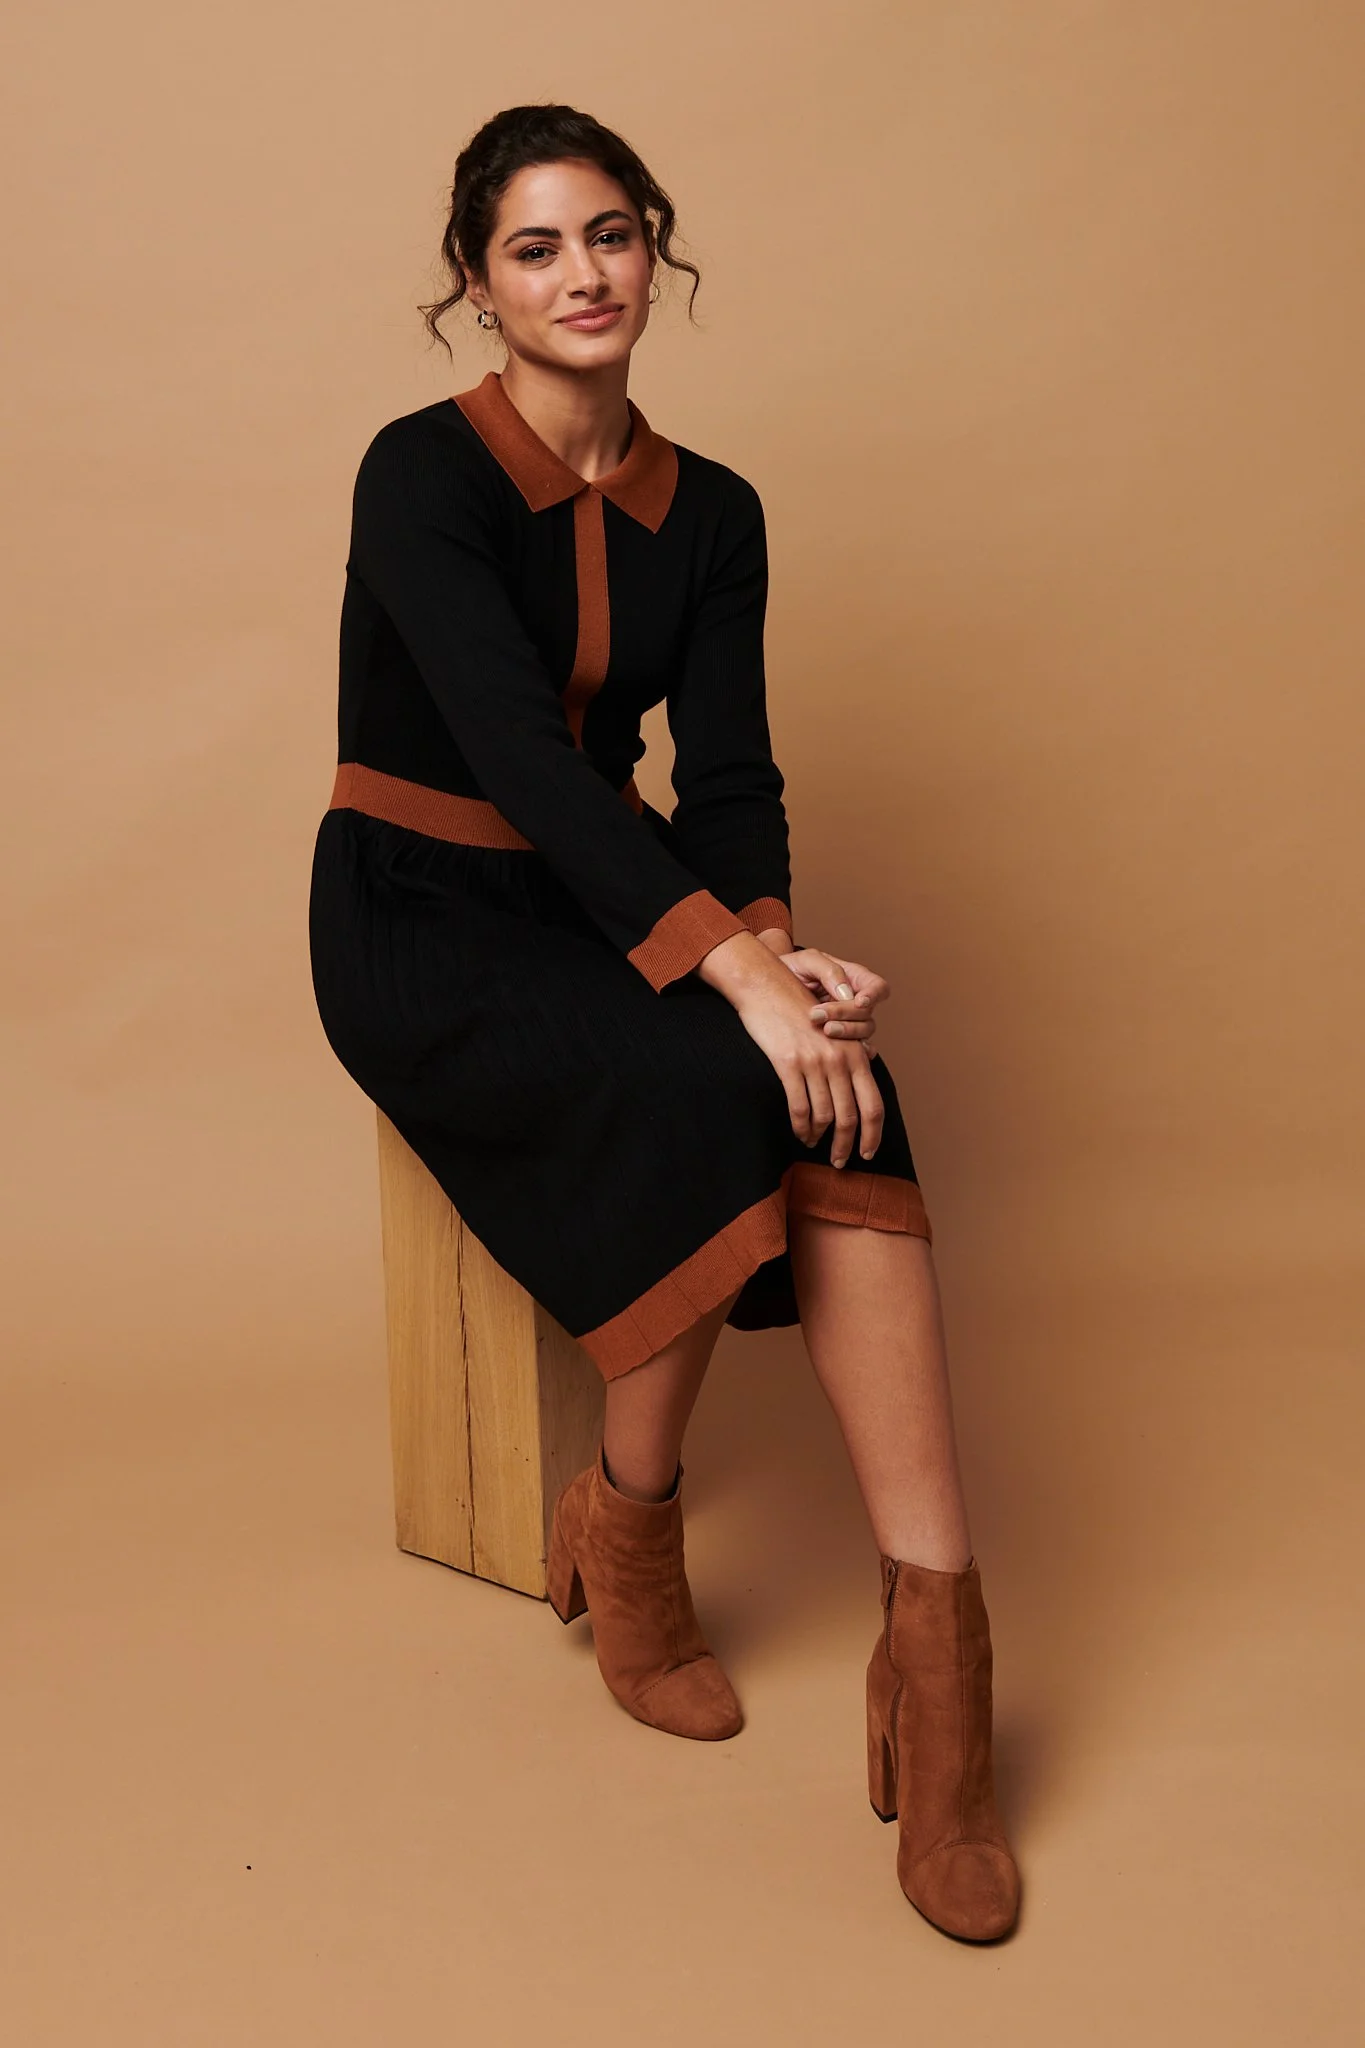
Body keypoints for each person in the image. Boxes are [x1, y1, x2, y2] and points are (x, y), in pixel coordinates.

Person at [308, 101, 1020, 1944]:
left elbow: (730, 784)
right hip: (421, 918)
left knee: (846, 1100)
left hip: (614, 897)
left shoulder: (719, 512)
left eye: (610, 235)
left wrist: (783, 949)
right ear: (478, 284)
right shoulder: (420, 475)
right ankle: (632, 1545)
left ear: (657, 249)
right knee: (714, 1094)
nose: (581, 274)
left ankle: (941, 1673)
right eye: (535, 247)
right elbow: (530, 769)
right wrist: (736, 975)